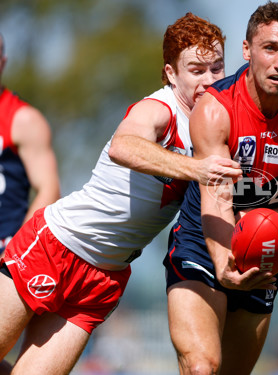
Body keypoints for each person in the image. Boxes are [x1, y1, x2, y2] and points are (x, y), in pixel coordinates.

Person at [0, 13, 240, 375]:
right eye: (196, 70)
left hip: (103, 279)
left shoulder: (222, 122)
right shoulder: (159, 109)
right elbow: (124, 147)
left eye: (217, 68)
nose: (209, 81)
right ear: (172, 74)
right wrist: (197, 169)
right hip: (56, 246)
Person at [163, 2, 278, 374]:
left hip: (266, 250)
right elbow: (216, 200)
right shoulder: (216, 109)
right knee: (201, 366)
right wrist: (223, 262)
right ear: (247, 51)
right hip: (203, 237)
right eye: (270, 48)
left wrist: (274, 245)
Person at [0, 32, 61, 256]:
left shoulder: (23, 119)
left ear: (3, 62)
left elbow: (49, 190)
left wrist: (13, 251)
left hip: (5, 248)